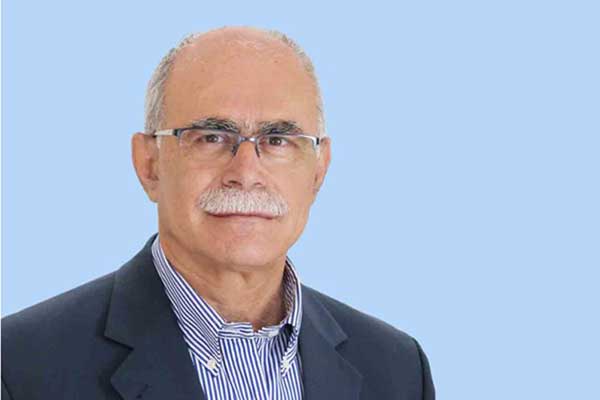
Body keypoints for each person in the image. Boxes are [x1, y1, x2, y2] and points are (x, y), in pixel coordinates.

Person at [1, 26, 435, 399]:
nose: (246, 173)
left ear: (319, 170)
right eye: (210, 137)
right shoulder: (21, 365)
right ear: (149, 164)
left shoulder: (397, 370)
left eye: (278, 140)